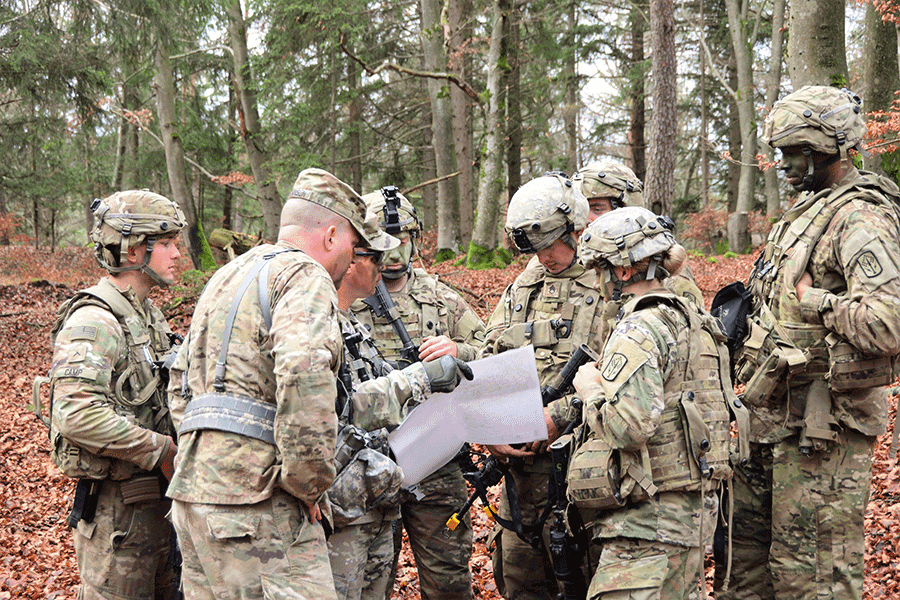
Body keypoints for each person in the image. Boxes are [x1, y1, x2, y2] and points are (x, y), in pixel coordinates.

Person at [722, 85, 900, 599]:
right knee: (744, 573)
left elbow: (888, 325)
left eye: (791, 154)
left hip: (823, 434)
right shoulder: (807, 211)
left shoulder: (861, 217)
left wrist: (819, 302)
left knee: (813, 580)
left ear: (828, 149)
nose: (782, 165)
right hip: (767, 420)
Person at [166, 168, 371, 600]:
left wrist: (204, 455)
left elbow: (179, 380)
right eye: (353, 244)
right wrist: (307, 483)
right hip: (259, 507)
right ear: (331, 235)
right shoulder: (305, 276)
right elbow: (304, 376)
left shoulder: (226, 275)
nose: (352, 260)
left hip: (193, 496)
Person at [568, 206, 743, 599]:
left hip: (649, 524)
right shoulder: (697, 321)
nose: (598, 280)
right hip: (694, 513)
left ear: (623, 271)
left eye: (600, 269)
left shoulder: (639, 327)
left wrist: (591, 389)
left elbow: (629, 428)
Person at [328, 204, 474, 600]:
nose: (391, 256)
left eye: (403, 241)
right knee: (371, 572)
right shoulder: (342, 294)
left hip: (434, 454)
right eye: (378, 249)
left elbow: (489, 352)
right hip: (365, 462)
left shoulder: (441, 297)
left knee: (447, 576)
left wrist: (459, 348)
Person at [48, 190, 185, 600]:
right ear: (131, 251)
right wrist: (160, 450)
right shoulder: (96, 320)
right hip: (117, 519)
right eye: (165, 243)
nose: (178, 253)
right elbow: (75, 413)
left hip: (157, 510)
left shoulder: (147, 314)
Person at [480, 172, 608, 600]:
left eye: (548, 246)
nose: (542, 257)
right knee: (520, 582)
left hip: (583, 473)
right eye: (533, 249)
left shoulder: (610, 281)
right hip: (521, 478)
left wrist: (557, 417)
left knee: (584, 583)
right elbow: (489, 354)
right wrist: (492, 428)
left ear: (577, 229)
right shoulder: (526, 284)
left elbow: (624, 378)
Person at [574, 162, 703, 307]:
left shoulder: (665, 273)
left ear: (627, 211)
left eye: (597, 209)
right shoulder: (569, 265)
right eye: (581, 209)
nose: (585, 219)